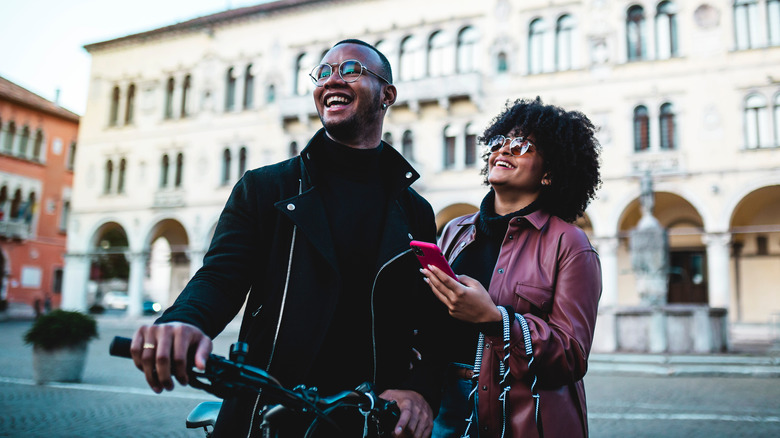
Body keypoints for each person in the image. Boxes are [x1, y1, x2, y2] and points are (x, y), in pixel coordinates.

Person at [130, 39, 447, 438]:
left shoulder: (414, 210)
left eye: (351, 70)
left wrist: (419, 390)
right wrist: (184, 321)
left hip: (370, 419)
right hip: (267, 410)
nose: (333, 80)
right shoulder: (265, 188)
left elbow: (427, 320)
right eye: (324, 72)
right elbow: (220, 277)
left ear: (387, 95)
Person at [422, 97, 602, 438]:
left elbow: (572, 355)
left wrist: (495, 320)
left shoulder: (570, 244)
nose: (503, 151)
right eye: (499, 143)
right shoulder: (455, 231)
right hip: (442, 405)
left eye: (521, 146)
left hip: (520, 414)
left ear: (549, 172)